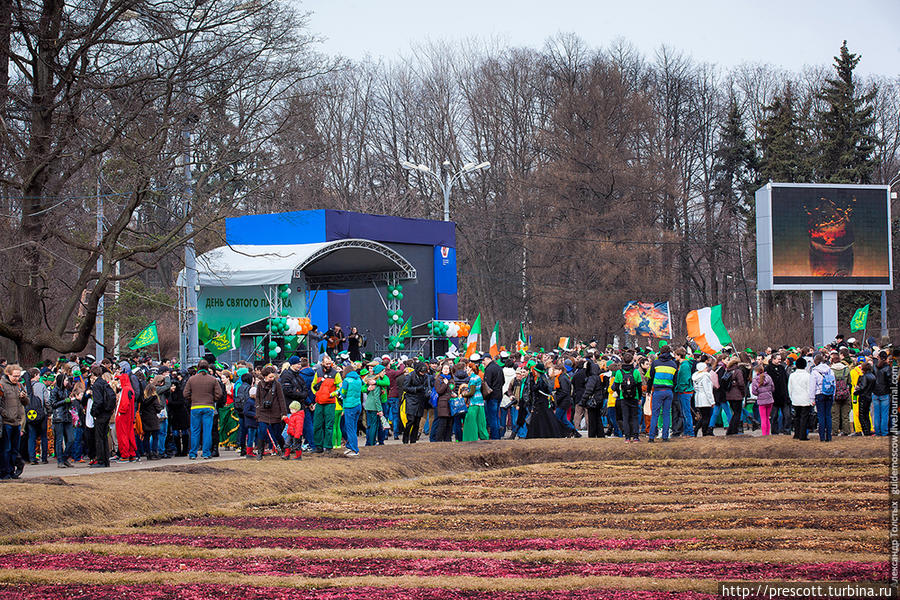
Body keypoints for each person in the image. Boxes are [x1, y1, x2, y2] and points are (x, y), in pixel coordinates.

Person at [182, 359, 223, 460]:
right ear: (207, 368)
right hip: (208, 406)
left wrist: (193, 399)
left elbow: (185, 394)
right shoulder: (213, 379)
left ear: (198, 368)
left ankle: (192, 453)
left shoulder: (192, 379)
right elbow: (219, 394)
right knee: (207, 431)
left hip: (195, 406)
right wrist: (212, 399)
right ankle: (206, 453)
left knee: (195, 430)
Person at [646, 343, 677, 442]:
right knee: (666, 414)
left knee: (655, 414)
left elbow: (650, 378)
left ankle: (651, 437)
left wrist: (648, 390)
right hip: (668, 391)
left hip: (658, 391)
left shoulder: (655, 363)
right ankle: (665, 436)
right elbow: (675, 381)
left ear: (661, 352)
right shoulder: (673, 364)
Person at [0, 365, 28, 479]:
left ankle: (12, 471)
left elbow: (26, 403)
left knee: (14, 450)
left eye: (18, 376)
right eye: (15, 376)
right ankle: (4, 472)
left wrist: (23, 397)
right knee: (6, 449)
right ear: (8, 374)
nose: (17, 378)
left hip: (17, 423)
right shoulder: (2, 386)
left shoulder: (19, 385)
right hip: (7, 423)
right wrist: (5, 414)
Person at [310, 355, 342, 453]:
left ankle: (328, 447)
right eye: (326, 362)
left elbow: (340, 387)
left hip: (330, 403)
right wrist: (318, 395)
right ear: (322, 363)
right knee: (317, 425)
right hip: (319, 402)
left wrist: (333, 394)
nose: (328, 364)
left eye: (329, 362)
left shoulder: (336, 374)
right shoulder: (318, 373)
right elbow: (313, 385)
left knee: (329, 426)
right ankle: (319, 446)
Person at [255, 365, 287, 459]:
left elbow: (281, 399)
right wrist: (258, 410)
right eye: (270, 377)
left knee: (277, 433)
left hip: (275, 412)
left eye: (273, 376)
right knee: (262, 431)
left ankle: (284, 448)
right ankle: (260, 452)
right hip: (263, 412)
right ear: (265, 376)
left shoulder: (277, 384)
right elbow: (257, 398)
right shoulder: (260, 384)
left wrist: (283, 413)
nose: (272, 378)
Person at [89, 365, 115, 467]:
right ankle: (106, 460)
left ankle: (100, 461)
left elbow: (98, 402)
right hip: (107, 413)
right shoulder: (104, 383)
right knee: (104, 436)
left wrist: (93, 413)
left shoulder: (96, 385)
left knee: (99, 438)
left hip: (100, 414)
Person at [614, 352, 643, 442]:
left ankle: (627, 437)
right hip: (634, 396)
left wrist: (620, 394)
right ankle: (635, 437)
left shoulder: (619, 372)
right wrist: (639, 397)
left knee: (625, 417)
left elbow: (616, 386)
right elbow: (639, 386)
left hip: (623, 397)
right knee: (634, 416)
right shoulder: (635, 372)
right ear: (632, 361)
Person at [25, 369, 50, 465]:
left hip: (30, 414)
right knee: (44, 436)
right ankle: (44, 457)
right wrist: (48, 411)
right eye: (38, 375)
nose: (39, 377)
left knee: (32, 436)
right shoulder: (41, 386)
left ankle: (32, 458)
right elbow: (46, 400)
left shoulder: (25, 386)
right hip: (41, 414)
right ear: (35, 375)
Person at [114, 365, 138, 462]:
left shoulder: (125, 390)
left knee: (122, 436)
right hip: (129, 417)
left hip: (123, 417)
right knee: (129, 435)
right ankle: (131, 454)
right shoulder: (129, 389)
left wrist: (119, 413)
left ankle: (125, 455)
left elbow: (124, 405)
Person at [809, 354, 835, 442]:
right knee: (828, 415)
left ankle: (822, 437)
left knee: (821, 416)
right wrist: (833, 395)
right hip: (829, 394)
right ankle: (829, 436)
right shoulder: (830, 370)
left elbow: (812, 386)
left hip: (819, 394)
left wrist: (812, 399)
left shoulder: (815, 372)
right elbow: (833, 384)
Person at [461, 361, 489, 441]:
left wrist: (464, 394)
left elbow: (471, 392)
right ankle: (484, 437)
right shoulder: (477, 377)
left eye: (467, 368)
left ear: (471, 369)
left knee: (470, 421)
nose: (466, 370)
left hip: (474, 403)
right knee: (481, 421)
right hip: (480, 402)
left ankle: (470, 438)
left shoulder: (473, 378)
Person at [402, 362, 429, 443]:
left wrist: (426, 391)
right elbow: (405, 387)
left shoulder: (425, 376)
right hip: (411, 400)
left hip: (420, 400)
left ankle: (413, 440)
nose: (422, 374)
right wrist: (417, 389)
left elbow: (427, 386)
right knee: (410, 420)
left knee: (417, 422)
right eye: (421, 372)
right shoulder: (410, 376)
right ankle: (405, 439)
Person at [339, 366, 362, 456]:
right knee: (353, 427)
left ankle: (354, 449)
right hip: (358, 405)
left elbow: (343, 394)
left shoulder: (346, 380)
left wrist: (340, 389)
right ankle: (350, 446)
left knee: (349, 429)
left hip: (349, 406)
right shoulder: (359, 379)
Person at [481, 354, 505, 440]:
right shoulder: (499, 367)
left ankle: (495, 437)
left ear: (488, 359)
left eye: (483, 360)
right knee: (496, 417)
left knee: (493, 418)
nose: (482, 362)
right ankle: (498, 435)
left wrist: (485, 395)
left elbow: (487, 385)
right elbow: (503, 381)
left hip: (491, 396)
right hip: (499, 394)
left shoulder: (488, 369)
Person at [765, 352, 790, 435]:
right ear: (773, 359)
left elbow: (786, 380)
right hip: (773, 395)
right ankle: (774, 432)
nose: (780, 361)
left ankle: (786, 430)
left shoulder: (782, 368)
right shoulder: (768, 369)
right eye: (778, 359)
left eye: (780, 359)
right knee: (774, 416)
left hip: (783, 395)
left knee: (787, 415)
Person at [788, 357, 812, 440]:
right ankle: (803, 435)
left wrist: (791, 397)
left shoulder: (792, 375)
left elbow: (790, 388)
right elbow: (809, 389)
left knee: (796, 417)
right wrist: (811, 399)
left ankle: (796, 434)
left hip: (795, 398)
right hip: (805, 399)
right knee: (804, 418)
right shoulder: (808, 376)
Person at [674, 348, 695, 438]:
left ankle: (690, 432)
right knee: (684, 412)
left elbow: (685, 379)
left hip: (685, 391)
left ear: (679, 355)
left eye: (675, 355)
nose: (674, 357)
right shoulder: (683, 364)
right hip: (684, 391)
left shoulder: (684, 365)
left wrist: (680, 388)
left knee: (686, 413)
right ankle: (687, 432)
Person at [830, 352, 853, 436]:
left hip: (835, 394)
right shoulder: (846, 369)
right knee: (845, 415)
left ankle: (834, 431)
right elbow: (849, 382)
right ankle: (846, 431)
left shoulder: (831, 370)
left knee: (835, 415)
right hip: (845, 393)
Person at [431, 361, 454, 442]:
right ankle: (438, 441)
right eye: (444, 369)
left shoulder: (451, 379)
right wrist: (445, 384)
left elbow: (451, 389)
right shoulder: (439, 379)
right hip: (442, 404)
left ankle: (448, 440)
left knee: (449, 424)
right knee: (442, 424)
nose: (446, 370)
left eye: (447, 369)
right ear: (442, 370)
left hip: (450, 404)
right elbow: (439, 391)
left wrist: (453, 394)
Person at [691, 361, 715, 437]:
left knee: (703, 416)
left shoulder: (695, 377)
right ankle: (704, 432)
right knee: (706, 416)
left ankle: (696, 430)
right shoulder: (705, 376)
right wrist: (712, 401)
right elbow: (707, 390)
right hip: (705, 398)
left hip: (698, 397)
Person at [724, 358, 746, 436]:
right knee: (737, 413)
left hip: (729, 395)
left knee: (734, 412)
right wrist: (743, 393)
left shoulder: (727, 371)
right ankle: (733, 430)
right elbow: (741, 383)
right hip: (737, 395)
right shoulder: (738, 371)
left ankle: (731, 429)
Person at [872, 351, 892, 437]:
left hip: (875, 392)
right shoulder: (887, 368)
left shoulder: (874, 367)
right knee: (884, 414)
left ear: (879, 357)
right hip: (884, 393)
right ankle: (884, 432)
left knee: (876, 414)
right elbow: (890, 381)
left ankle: (877, 431)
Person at [140, 384, 163, 460]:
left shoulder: (143, 398)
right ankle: (154, 452)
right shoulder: (154, 398)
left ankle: (148, 453)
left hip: (145, 419)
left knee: (146, 437)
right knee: (155, 437)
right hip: (153, 419)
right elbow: (158, 409)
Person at [751, 364, 774, 436]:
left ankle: (764, 434)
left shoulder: (755, 379)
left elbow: (754, 391)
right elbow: (773, 388)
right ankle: (768, 433)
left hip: (761, 401)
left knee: (763, 418)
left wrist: (759, 393)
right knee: (767, 418)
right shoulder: (769, 377)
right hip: (769, 400)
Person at [854, 362, 875, 436]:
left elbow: (862, 387)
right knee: (866, 414)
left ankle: (866, 431)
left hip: (863, 397)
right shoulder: (872, 376)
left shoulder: (864, 376)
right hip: (869, 396)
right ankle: (868, 430)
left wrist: (856, 392)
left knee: (862, 415)